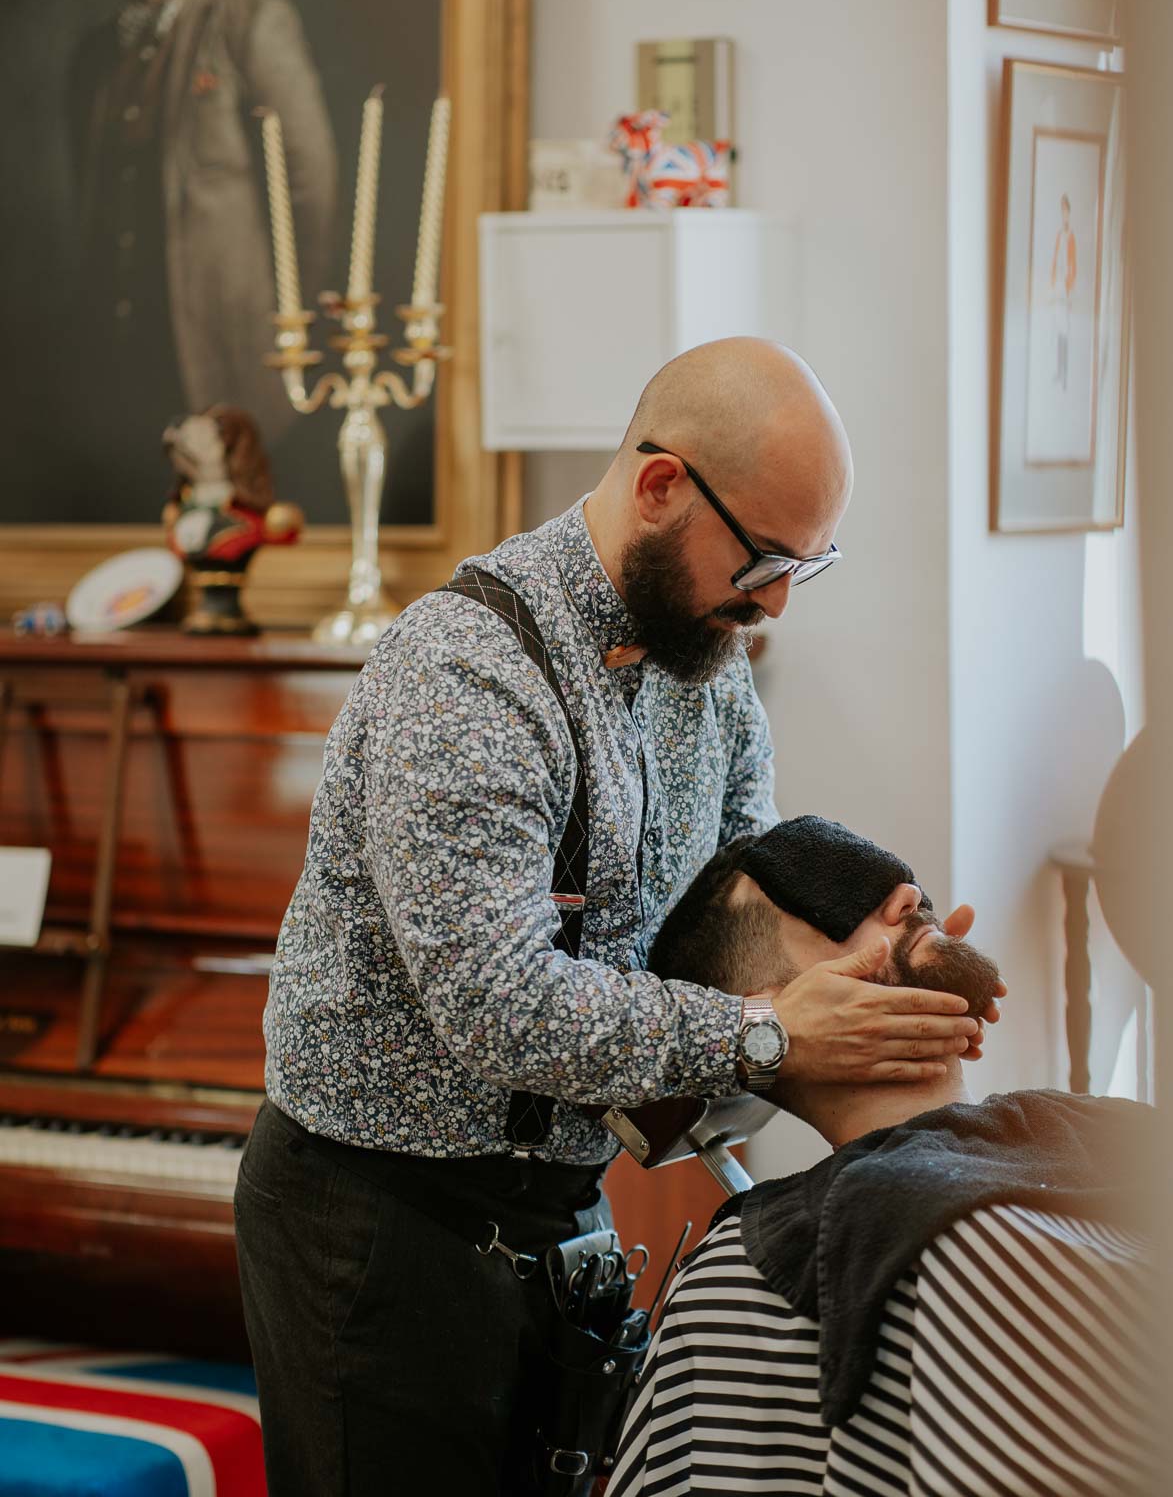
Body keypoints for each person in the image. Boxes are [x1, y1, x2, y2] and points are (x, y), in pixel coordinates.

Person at [234, 339, 994, 1495]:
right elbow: (503, 1004)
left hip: (561, 1207)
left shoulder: (712, 656)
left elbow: (740, 901)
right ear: (659, 489)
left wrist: (887, 944)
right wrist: (773, 1038)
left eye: (811, 564)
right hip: (378, 1226)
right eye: (768, 559)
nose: (779, 602)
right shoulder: (465, 676)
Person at [610, 815, 1154, 1497]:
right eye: (830, 898)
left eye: (895, 884)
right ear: (771, 1013)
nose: (906, 895)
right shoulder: (744, 1280)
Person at [66, 0, 337, 514]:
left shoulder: (254, 22)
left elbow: (309, 183)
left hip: (224, 343)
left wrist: (292, 317)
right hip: (119, 354)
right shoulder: (96, 53)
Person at [1051, 190, 1077, 391]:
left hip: (1066, 288)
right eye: (1062, 211)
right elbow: (1055, 260)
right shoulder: (1059, 235)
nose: (1064, 215)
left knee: (1065, 331)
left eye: (1066, 211)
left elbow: (1072, 265)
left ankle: (1066, 374)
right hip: (1058, 285)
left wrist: (1069, 290)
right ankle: (1059, 371)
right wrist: (1054, 285)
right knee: (1059, 330)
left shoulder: (1071, 237)